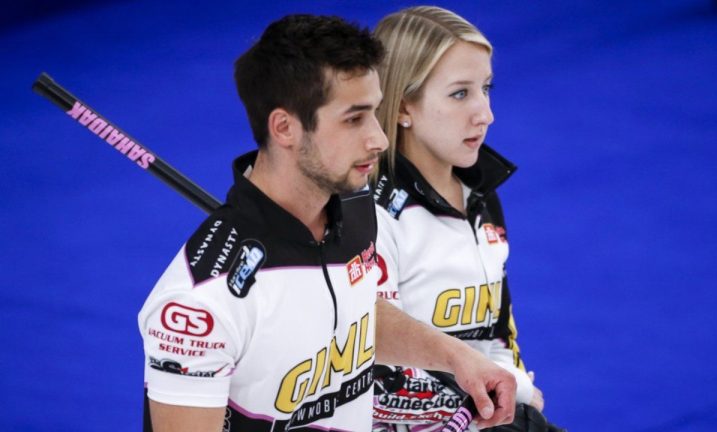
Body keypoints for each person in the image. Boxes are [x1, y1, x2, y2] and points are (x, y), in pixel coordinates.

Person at [138, 14, 518, 432]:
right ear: (285, 127)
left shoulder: (355, 213)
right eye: (354, 119)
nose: (380, 138)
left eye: (375, 112)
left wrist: (459, 359)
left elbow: (358, 311)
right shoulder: (200, 304)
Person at [371, 6, 562, 431]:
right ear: (403, 106)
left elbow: (496, 331)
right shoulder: (373, 214)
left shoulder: (480, 195)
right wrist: (513, 394)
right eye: (460, 93)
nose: (485, 114)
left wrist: (514, 399)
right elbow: (371, 366)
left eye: (486, 89)